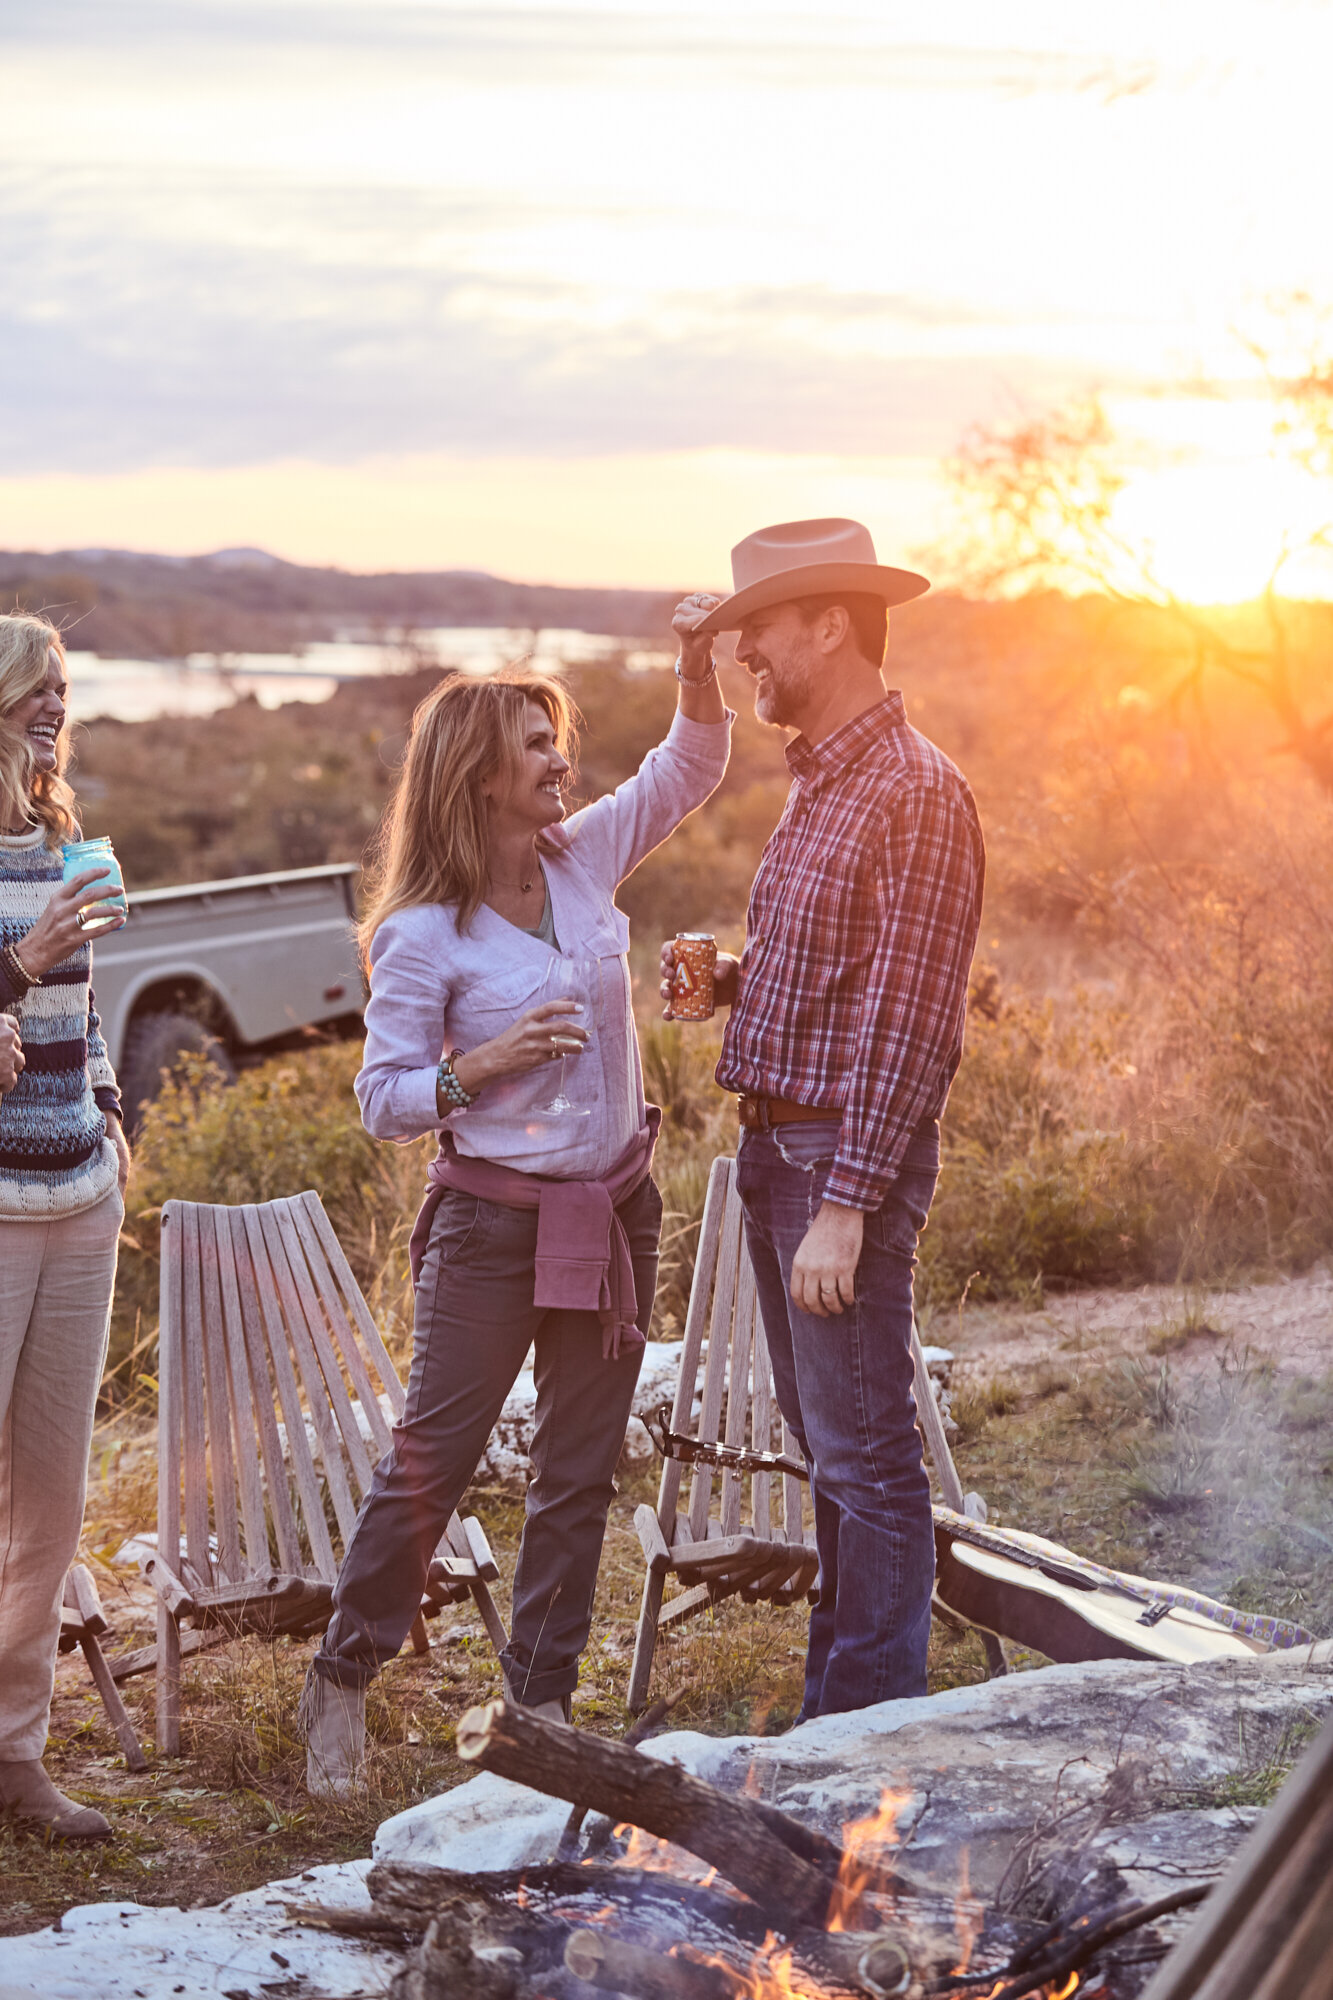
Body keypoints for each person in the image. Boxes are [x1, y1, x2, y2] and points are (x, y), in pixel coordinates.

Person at [302, 640, 730, 1794]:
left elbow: (687, 767)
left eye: (558, 739)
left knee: (578, 1470)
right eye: (536, 744)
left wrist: (697, 670)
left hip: (611, 1212)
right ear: (479, 773)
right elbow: (383, 1100)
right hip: (490, 1232)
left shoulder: (584, 856)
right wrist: (477, 1063)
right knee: (432, 1463)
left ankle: (540, 1711)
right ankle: (343, 1670)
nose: (560, 759)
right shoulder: (421, 932)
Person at [661, 518, 985, 1721]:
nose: (749, 654)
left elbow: (910, 1025)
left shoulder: (915, 791)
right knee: (835, 1461)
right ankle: (833, 1723)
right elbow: (850, 964)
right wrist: (737, 977)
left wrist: (845, 1207)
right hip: (780, 1151)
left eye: (762, 631)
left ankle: (864, 1740)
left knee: (866, 1464)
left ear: (832, 624)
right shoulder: (827, 781)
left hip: (830, 1165)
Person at [0, 615, 132, 1839]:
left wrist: (108, 1110)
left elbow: (86, 1013)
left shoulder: (65, 838)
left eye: (64, 689)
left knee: (50, 1501)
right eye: (35, 687)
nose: (55, 705)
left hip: (79, 1199)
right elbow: (27, 986)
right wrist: (23, 958)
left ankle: (18, 1761)